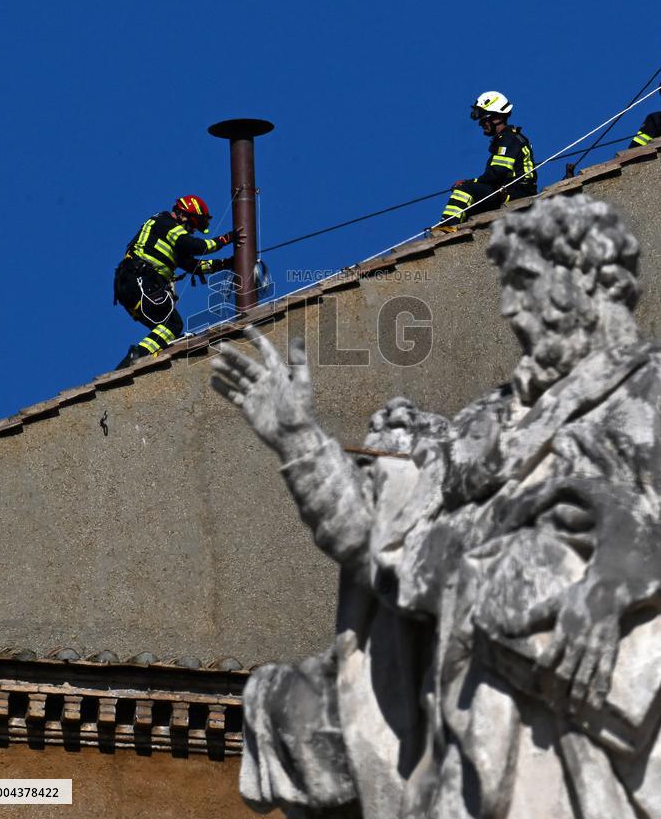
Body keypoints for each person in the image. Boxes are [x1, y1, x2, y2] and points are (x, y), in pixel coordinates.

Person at [211, 194, 661, 818]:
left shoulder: (648, 393)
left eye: (525, 283)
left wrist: (611, 586)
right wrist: (298, 440)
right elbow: (385, 546)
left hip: (595, 718)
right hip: (472, 727)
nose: (509, 310)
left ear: (586, 276)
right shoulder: (491, 424)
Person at [113, 195, 243, 369]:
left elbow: (194, 266)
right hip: (139, 280)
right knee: (173, 324)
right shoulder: (165, 222)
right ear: (184, 214)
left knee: (167, 329)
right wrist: (227, 238)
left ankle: (134, 363)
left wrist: (226, 263)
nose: (193, 230)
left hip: (131, 284)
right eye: (194, 224)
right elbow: (199, 247)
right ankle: (137, 356)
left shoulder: (171, 238)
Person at [434, 91, 537, 233]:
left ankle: (448, 226)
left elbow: (498, 172)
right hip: (510, 192)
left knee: (464, 190)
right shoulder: (507, 138)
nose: (481, 124)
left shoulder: (508, 139)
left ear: (497, 117)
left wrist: (471, 183)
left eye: (484, 119)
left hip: (514, 194)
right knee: (470, 210)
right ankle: (454, 230)